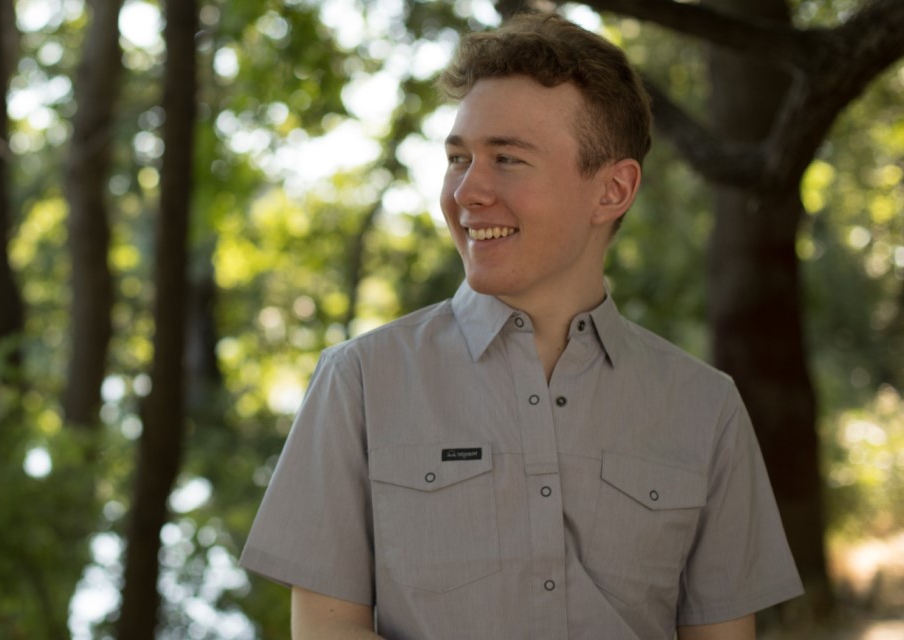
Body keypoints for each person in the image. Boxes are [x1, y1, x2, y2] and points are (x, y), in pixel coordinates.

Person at [240, 12, 803, 640]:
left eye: (506, 158)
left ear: (612, 190)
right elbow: (326, 632)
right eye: (458, 159)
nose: (467, 192)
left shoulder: (707, 409)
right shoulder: (359, 383)